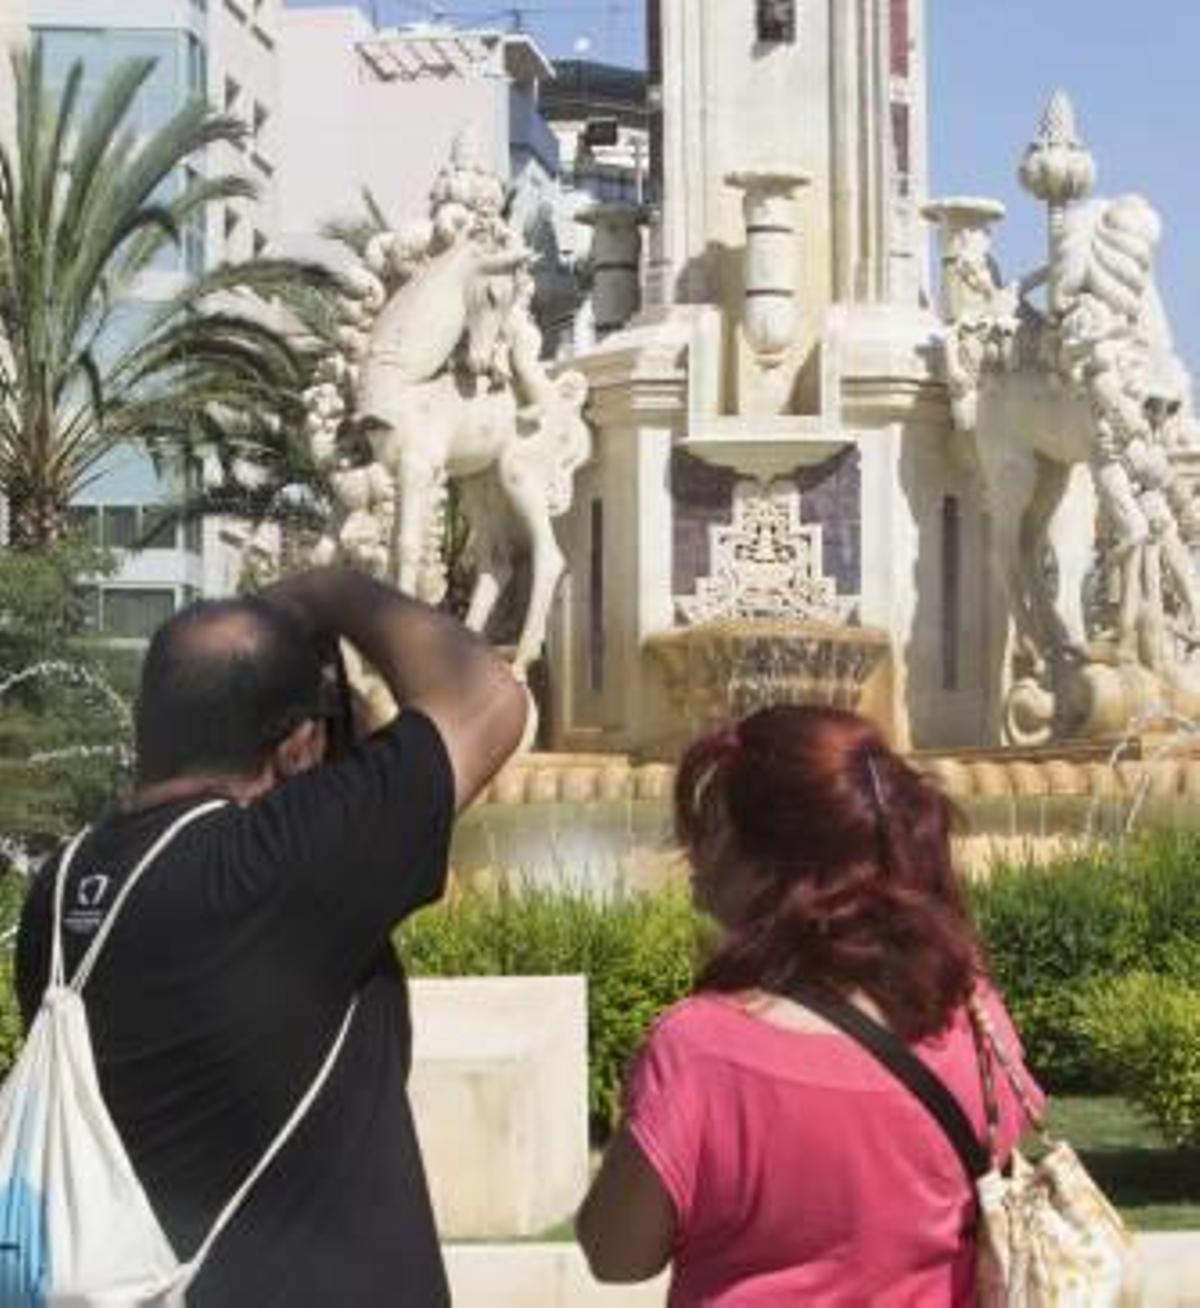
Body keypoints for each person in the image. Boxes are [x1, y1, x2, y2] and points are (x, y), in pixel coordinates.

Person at [15, 566, 527, 1306]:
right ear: (298, 748)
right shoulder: (278, 864)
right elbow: (489, 698)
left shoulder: (57, 893)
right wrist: (334, 591)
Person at [576, 705, 1043, 1306]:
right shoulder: (971, 1017)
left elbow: (615, 1254)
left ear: (777, 860)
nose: (693, 854)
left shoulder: (699, 1051)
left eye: (715, 828)